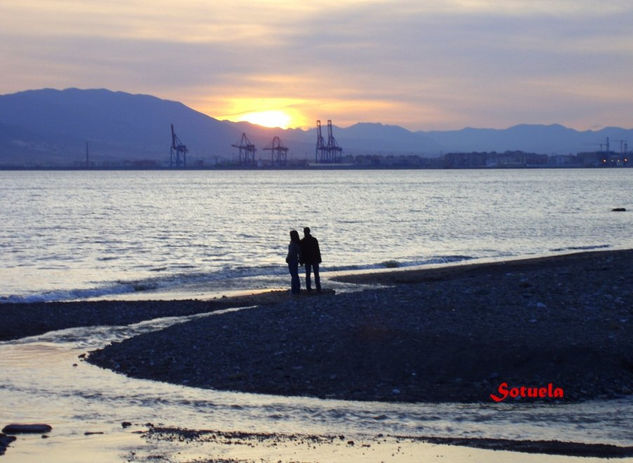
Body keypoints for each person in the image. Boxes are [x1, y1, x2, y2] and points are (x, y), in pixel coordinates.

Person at [300, 227, 322, 292]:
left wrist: (301, 260)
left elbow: (302, 252)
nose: (305, 233)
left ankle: (310, 288)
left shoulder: (303, 241)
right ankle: (317, 288)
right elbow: (317, 250)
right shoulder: (313, 240)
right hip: (313, 259)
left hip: (309, 259)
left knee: (309, 274)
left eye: (305, 231)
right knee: (315, 274)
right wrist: (319, 258)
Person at [285, 230, 301, 295]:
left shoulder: (294, 243)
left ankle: (295, 290)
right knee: (294, 275)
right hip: (294, 260)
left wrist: (288, 258)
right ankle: (295, 289)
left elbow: (291, 253)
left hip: (292, 260)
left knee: (294, 275)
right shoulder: (296, 243)